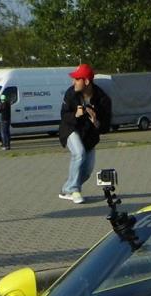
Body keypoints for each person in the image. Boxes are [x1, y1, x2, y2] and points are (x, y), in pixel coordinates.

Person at [58, 63, 112, 203]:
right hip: (70, 129)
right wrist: (76, 115)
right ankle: (75, 190)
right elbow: (64, 115)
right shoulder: (71, 93)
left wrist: (96, 123)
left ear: (86, 81)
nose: (73, 82)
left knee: (87, 171)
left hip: (89, 135)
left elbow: (106, 126)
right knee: (79, 153)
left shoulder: (103, 99)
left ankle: (67, 189)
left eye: (77, 79)